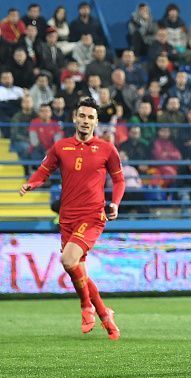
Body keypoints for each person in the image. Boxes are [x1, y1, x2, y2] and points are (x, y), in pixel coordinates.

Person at [19, 97, 124, 340]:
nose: (86, 121)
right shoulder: (61, 147)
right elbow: (44, 170)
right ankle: (105, 314)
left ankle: (86, 307)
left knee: (68, 259)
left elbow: (119, 180)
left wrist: (115, 204)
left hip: (92, 215)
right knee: (78, 269)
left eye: (90, 117)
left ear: (97, 122)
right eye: (82, 116)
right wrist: (32, 183)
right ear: (75, 118)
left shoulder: (107, 148)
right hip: (67, 217)